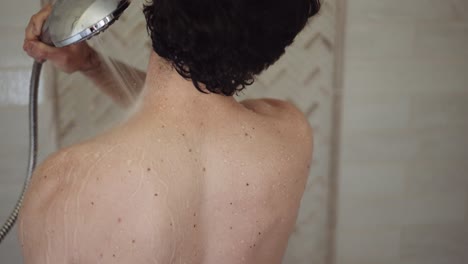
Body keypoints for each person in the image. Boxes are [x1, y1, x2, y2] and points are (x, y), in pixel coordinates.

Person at [19, 0, 320, 263]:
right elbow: (197, 111)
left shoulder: (60, 185)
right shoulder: (291, 136)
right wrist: (90, 63)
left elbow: (177, 110)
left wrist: (89, 60)